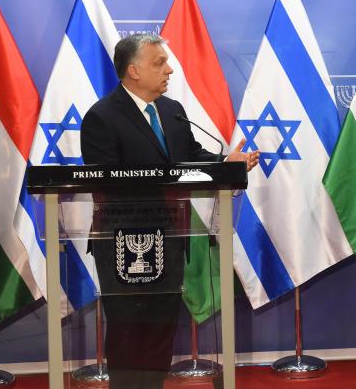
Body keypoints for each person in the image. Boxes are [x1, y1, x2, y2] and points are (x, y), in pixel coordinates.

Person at [81, 33, 258, 389]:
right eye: (159, 63)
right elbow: (108, 184)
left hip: (171, 236)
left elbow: (189, 155)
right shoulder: (102, 117)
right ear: (133, 70)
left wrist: (226, 163)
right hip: (123, 243)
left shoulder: (171, 110)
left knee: (162, 324)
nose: (169, 69)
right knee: (130, 327)